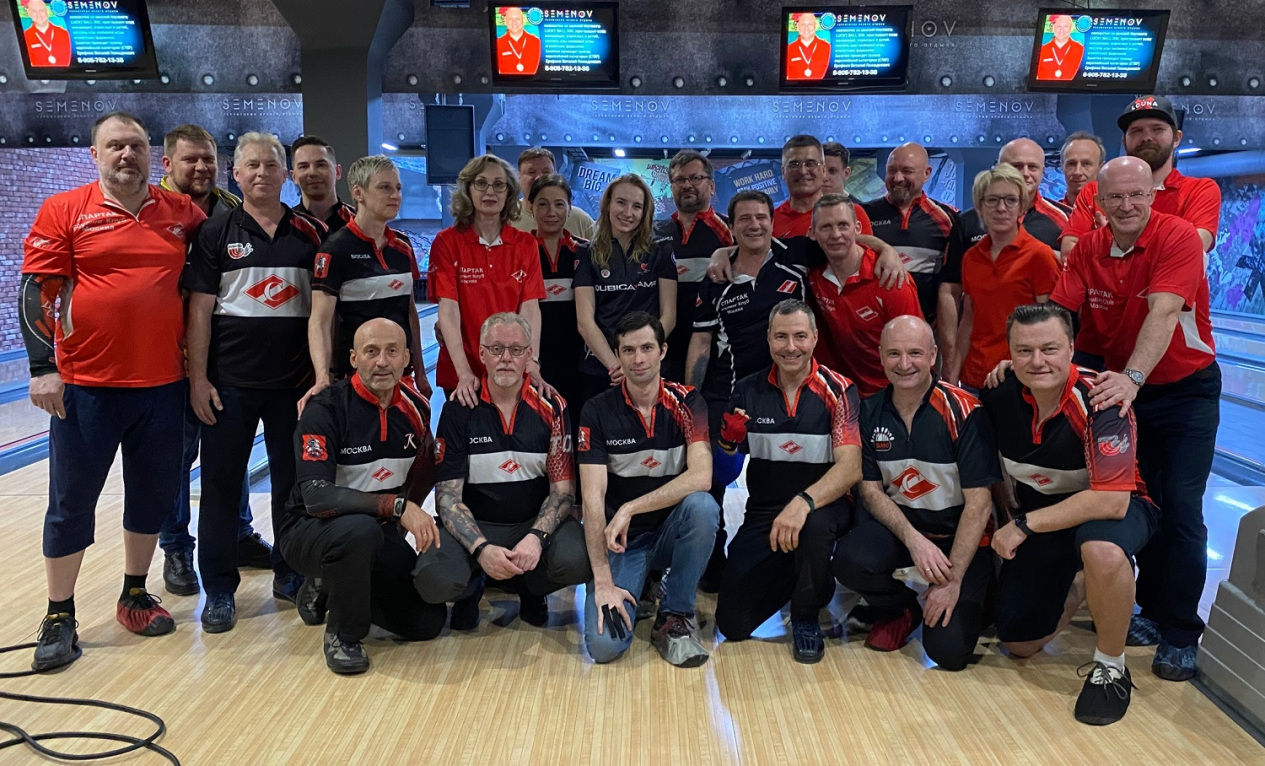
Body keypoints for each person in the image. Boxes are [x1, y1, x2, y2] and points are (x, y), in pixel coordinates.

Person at [20, 112, 205, 671]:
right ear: (95, 155)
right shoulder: (65, 209)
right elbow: (38, 288)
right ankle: (59, 614)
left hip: (162, 385)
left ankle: (134, 593)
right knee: (71, 503)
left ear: (152, 156)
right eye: (116, 146)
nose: (127, 155)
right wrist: (43, 366)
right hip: (86, 386)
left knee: (151, 496)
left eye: (136, 146)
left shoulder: (180, 212)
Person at [1049, 156, 1220, 682]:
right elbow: (1060, 314)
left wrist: (1133, 378)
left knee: (1182, 507)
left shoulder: (1177, 237)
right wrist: (1027, 353)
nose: (1126, 205)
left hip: (1183, 391)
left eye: (1136, 195)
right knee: (1138, 505)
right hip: (1122, 391)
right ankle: (1147, 608)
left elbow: (1164, 311)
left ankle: (1180, 631)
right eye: (1115, 197)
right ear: (1098, 203)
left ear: (1152, 196)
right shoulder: (1089, 248)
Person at [981, 303, 1158, 726]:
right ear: (1009, 353)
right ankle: (1082, 585)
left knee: (1101, 549)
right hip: (1048, 514)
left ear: (1072, 348)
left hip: (1118, 510)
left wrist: (1023, 525)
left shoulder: (1101, 401)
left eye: (1049, 349)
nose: (1037, 361)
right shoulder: (999, 394)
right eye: (1024, 351)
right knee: (1019, 643)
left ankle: (1110, 667)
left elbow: (1112, 502)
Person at [182, 132, 324, 632]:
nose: (262, 173)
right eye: (252, 166)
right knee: (221, 487)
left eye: (271, 165)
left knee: (292, 486)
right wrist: (198, 379)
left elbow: (322, 311)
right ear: (236, 174)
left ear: (285, 174)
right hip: (230, 385)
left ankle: (291, 572)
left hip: (294, 386)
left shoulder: (309, 233)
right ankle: (220, 589)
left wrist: (321, 379)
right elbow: (199, 312)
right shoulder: (214, 232)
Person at [280, 318, 447, 675]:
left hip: (376, 531)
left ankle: (332, 584)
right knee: (360, 531)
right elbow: (316, 496)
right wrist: (396, 507)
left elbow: (420, 475)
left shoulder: (417, 408)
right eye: (371, 352)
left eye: (391, 351)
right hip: (309, 530)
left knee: (426, 622)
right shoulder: (325, 410)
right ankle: (343, 634)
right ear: (354, 358)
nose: (382, 362)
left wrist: (402, 518)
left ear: (406, 358)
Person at [834, 316, 997, 668]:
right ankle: (902, 608)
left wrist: (952, 580)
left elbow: (980, 505)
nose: (904, 364)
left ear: (933, 355)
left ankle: (981, 593)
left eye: (915, 353)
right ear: (881, 356)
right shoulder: (869, 411)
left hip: (960, 539)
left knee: (948, 653)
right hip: (906, 533)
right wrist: (914, 540)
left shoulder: (965, 411)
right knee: (850, 561)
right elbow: (871, 492)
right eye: (894, 353)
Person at [413, 314, 590, 628]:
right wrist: (480, 549)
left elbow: (563, 492)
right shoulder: (459, 409)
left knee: (578, 559)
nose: (506, 358)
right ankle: (472, 585)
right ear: (482, 354)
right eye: (496, 349)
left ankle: (530, 588)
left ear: (528, 355)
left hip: (530, 523)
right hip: (479, 523)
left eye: (516, 350)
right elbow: (447, 497)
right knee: (434, 580)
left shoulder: (552, 407)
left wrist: (536, 538)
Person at [714, 300, 862, 663]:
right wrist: (727, 445)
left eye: (799, 336)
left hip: (824, 507)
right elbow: (725, 475)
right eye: (781, 337)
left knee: (814, 529)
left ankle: (805, 613)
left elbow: (851, 468)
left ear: (814, 338)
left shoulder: (840, 391)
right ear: (768, 339)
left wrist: (804, 502)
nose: (790, 346)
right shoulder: (746, 391)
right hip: (765, 509)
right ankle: (810, 574)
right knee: (732, 623)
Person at [157, 124, 270, 597]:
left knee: (229, 455)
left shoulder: (229, 208)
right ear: (168, 164)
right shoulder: (152, 211)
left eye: (208, 158)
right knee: (176, 458)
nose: (202, 167)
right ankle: (176, 547)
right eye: (191, 160)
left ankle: (238, 534)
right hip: (166, 357)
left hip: (222, 357)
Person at [579, 312, 719, 667]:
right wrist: (603, 582)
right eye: (628, 350)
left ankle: (675, 615)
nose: (638, 358)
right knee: (604, 647)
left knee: (703, 507)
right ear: (617, 355)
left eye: (646, 348)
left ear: (662, 351)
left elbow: (702, 476)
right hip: (623, 543)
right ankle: (643, 582)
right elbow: (592, 501)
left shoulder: (688, 403)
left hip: (671, 531)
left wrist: (630, 507)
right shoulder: (596, 411)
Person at [688, 190, 808, 589]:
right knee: (714, 477)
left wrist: (886, 251)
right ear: (731, 226)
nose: (754, 225)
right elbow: (701, 342)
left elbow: (849, 241)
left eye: (761, 217)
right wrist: (691, 398)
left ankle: (790, 558)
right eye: (744, 219)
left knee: (784, 477)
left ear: (772, 221)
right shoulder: (717, 277)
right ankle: (711, 557)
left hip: (786, 392)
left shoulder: (797, 259)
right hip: (729, 392)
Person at [304, 154, 431, 415]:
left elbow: (409, 313)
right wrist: (322, 376)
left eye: (398, 188)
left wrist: (420, 370)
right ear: (358, 193)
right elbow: (319, 321)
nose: (395, 195)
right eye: (384, 187)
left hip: (400, 375)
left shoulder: (403, 247)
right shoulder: (335, 249)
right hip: (355, 377)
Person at [428, 154, 547, 407]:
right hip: (462, 371)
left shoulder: (525, 244)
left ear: (509, 192)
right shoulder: (447, 242)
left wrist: (531, 363)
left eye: (499, 185)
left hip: (511, 370)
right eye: (481, 183)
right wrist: (464, 373)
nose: (490, 191)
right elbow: (448, 311)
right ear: (468, 189)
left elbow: (529, 309)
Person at [1061, 95, 1220, 261]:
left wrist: (1111, 244)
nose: (1147, 137)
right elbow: (1069, 254)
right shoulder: (1094, 191)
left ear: (1176, 138)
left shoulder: (1199, 191)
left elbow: (1191, 250)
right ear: (1124, 141)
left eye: (1157, 129)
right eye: (1137, 131)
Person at [947, 165, 1060, 390]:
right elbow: (968, 319)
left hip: (1018, 378)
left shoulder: (1040, 255)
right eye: (992, 200)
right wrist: (952, 376)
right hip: (973, 377)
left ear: (1021, 207)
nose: (1001, 208)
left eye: (1010, 200)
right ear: (980, 207)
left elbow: (1051, 325)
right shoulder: (971, 257)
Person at [573, 174, 677, 405]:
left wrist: (641, 359)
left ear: (645, 211)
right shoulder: (586, 253)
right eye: (621, 202)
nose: (628, 213)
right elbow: (585, 322)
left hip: (647, 368)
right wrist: (617, 366)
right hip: (601, 369)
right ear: (608, 204)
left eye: (637, 206)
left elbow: (669, 316)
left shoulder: (660, 250)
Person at [806, 194, 923, 397]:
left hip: (894, 393)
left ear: (857, 228)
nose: (836, 234)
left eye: (843, 225)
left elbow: (916, 349)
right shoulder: (814, 276)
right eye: (826, 227)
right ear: (813, 233)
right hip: (846, 392)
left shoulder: (890, 278)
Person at [862, 143, 961, 346]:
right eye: (892, 171)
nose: (898, 178)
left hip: (929, 330)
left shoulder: (950, 218)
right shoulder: (864, 214)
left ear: (927, 173)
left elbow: (954, 282)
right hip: (873, 331)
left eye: (907, 171)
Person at [654, 150, 733, 383]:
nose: (687, 185)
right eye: (680, 179)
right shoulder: (654, 233)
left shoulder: (730, 231)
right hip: (664, 352)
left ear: (712, 186)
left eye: (696, 178)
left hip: (714, 353)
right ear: (671, 187)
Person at [527, 174, 586, 411]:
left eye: (559, 204)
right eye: (543, 204)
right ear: (531, 207)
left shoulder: (585, 252)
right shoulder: (520, 251)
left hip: (578, 361)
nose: (551, 212)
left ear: (570, 208)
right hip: (534, 361)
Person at [511, 147, 597, 238]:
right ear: (519, 176)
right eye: (531, 172)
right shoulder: (506, 218)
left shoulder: (580, 220)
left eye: (546, 172)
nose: (539, 177)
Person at [292, 135, 355, 233]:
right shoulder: (285, 225)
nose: (312, 173)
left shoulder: (359, 223)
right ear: (294, 177)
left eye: (321, 165)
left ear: (337, 172)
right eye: (303, 167)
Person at [1060, 131, 1106, 208]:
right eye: (1071, 164)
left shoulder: (1113, 213)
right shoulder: (1050, 214)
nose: (1077, 172)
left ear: (1101, 168)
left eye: (1086, 164)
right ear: (1062, 167)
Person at [21, 0, 70, 68]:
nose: (38, 14)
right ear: (29, 13)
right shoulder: (24, 37)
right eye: (34, 11)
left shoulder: (64, 34)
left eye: (41, 10)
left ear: (47, 11)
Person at [1035, 14, 1084, 81]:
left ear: (1071, 28)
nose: (1062, 30)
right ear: (1053, 27)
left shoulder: (1081, 50)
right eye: (1059, 26)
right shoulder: (1041, 50)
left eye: (1066, 26)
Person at [496, 6, 542, 76]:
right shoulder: (498, 44)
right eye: (510, 19)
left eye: (517, 19)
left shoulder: (537, 43)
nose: (514, 22)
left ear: (523, 20)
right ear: (505, 21)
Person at [785, 12, 831, 81]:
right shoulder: (788, 49)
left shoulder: (828, 48)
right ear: (797, 26)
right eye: (803, 24)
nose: (806, 28)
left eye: (810, 24)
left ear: (815, 27)